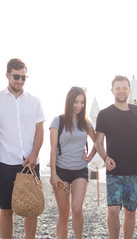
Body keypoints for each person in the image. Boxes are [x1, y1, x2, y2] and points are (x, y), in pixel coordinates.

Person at [0, 58, 45, 239]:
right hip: (4, 161)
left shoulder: (34, 101)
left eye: (23, 77)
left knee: (32, 208)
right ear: (8, 75)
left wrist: (34, 154)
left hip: (30, 162)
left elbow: (39, 130)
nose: (20, 81)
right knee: (6, 208)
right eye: (16, 77)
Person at [95, 75, 137, 239]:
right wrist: (105, 158)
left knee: (130, 212)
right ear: (112, 90)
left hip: (135, 172)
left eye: (124, 88)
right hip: (114, 172)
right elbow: (98, 142)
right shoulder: (104, 114)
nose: (121, 91)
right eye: (117, 88)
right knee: (113, 210)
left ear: (129, 90)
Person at [49, 86, 97, 239]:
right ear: (69, 101)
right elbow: (53, 149)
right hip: (61, 172)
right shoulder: (58, 121)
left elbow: (98, 143)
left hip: (80, 171)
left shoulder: (86, 123)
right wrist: (53, 175)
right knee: (64, 214)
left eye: (82, 102)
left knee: (77, 208)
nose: (79, 105)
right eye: (76, 102)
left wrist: (89, 157)